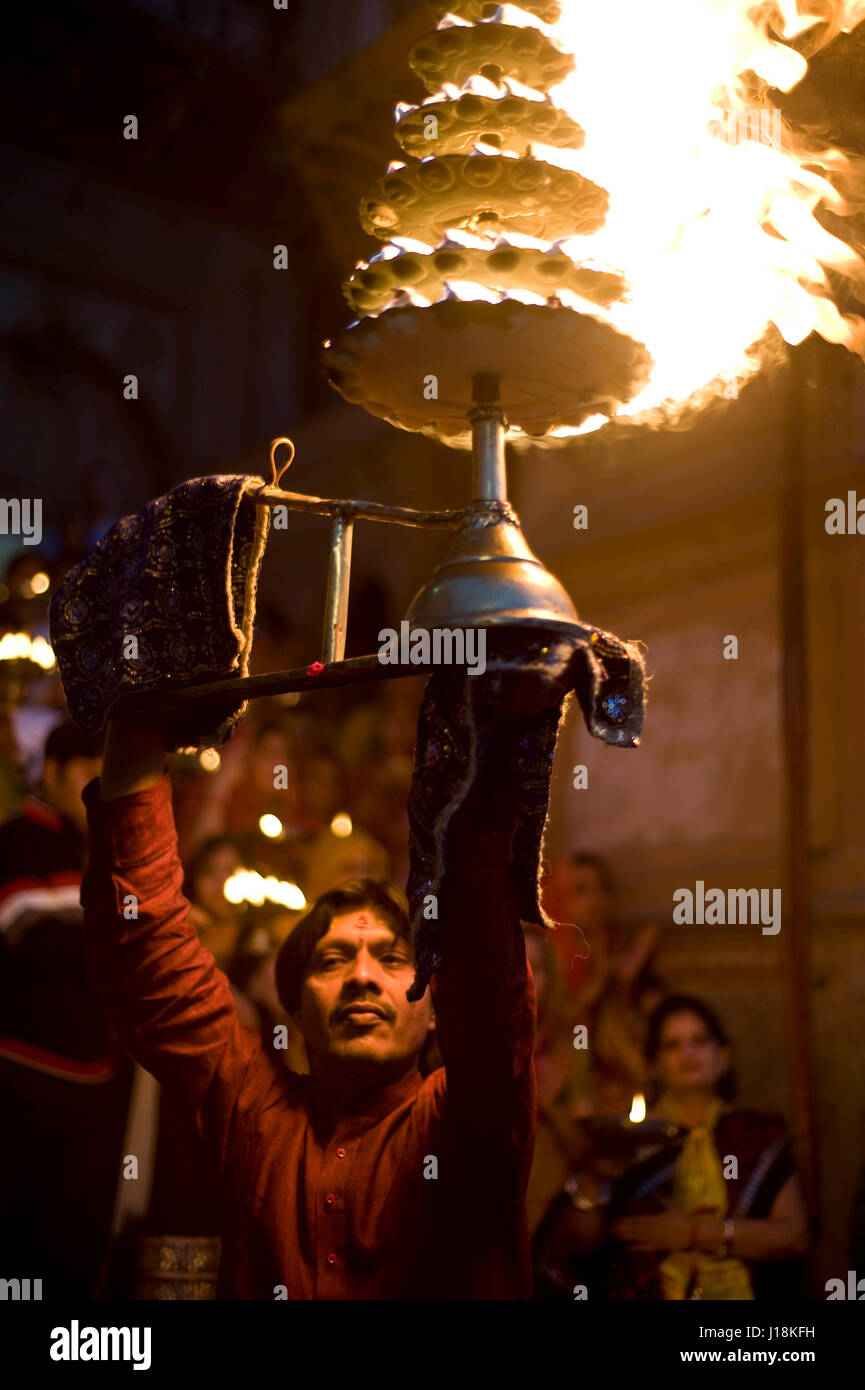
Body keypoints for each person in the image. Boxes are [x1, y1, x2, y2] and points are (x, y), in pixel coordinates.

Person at [80, 709, 537, 1300]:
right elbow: (149, 959)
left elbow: (493, 997)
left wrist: (492, 720)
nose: (362, 978)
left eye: (393, 960)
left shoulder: (467, 1117)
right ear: (294, 1008)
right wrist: (137, 714)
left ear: (435, 1010)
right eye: (332, 960)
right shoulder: (255, 1111)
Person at [533, 994, 809, 1300]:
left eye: (699, 1041)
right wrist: (596, 1175)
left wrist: (692, 1234)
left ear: (724, 1056)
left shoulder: (756, 1133)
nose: (687, 1053)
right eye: (672, 1045)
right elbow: (579, 1246)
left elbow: (794, 1236)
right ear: (655, 1066)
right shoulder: (631, 1139)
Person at [0, 721, 132, 1299]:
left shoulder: (109, 851)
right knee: (16, 1240)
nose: (96, 787)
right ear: (51, 773)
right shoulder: (16, 841)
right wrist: (119, 934)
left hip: (94, 1078)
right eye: (84, 773)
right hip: (22, 1070)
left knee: (75, 1240)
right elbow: (26, 929)